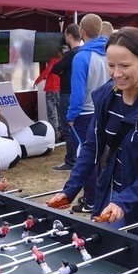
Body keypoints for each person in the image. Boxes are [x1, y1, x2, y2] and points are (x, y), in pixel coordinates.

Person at [48, 27, 138, 244]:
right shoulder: (106, 97)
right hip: (108, 195)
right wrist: (70, 190)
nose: (117, 74)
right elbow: (92, 147)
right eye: (111, 65)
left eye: (125, 66)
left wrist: (124, 201)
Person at [66, 14, 109, 213]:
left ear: (82, 32)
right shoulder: (109, 53)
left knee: (86, 158)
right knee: (102, 157)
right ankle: (98, 198)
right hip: (107, 112)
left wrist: (71, 116)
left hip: (85, 114)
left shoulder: (82, 57)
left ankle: (91, 200)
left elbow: (78, 92)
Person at [50, 23, 82, 170]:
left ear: (69, 35)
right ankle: (77, 157)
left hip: (67, 94)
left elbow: (55, 69)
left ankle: (70, 160)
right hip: (79, 94)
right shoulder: (83, 52)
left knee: (67, 127)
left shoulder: (72, 54)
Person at [33, 47, 62, 138]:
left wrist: (37, 81)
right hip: (60, 91)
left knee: (52, 113)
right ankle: (63, 133)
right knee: (60, 112)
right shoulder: (65, 62)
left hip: (50, 90)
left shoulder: (53, 61)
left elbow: (46, 71)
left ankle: (55, 134)